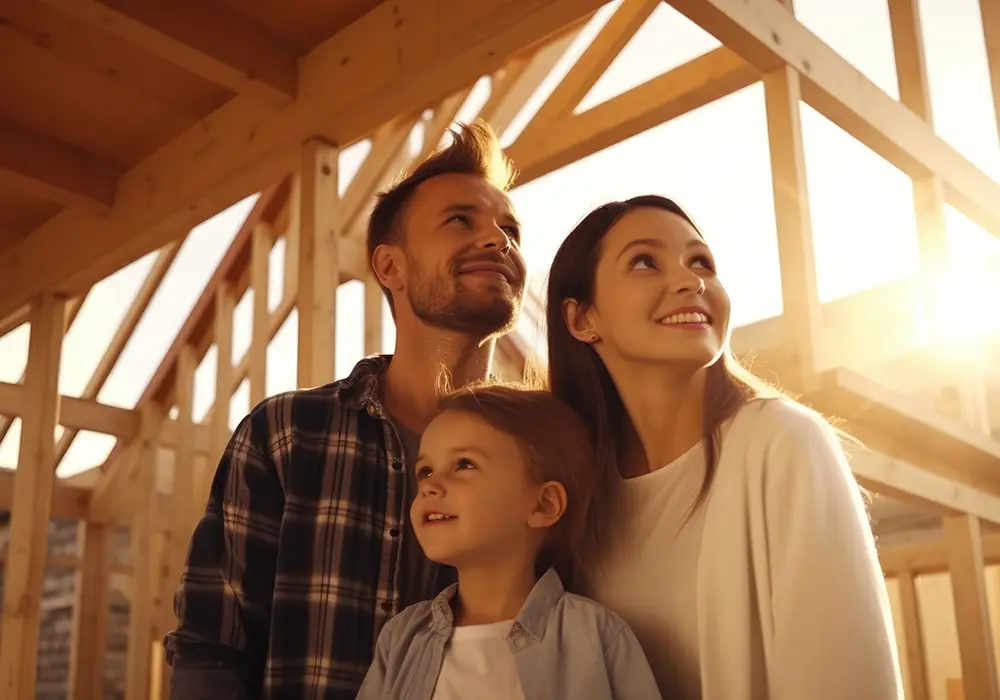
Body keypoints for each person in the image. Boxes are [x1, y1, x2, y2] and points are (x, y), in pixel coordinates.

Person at [163, 119, 528, 700]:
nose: (498, 240)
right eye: (462, 220)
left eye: (509, 229)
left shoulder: (545, 451)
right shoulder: (285, 435)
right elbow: (213, 647)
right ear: (390, 268)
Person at [544, 195, 904, 700]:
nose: (691, 281)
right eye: (646, 261)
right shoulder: (574, 497)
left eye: (701, 263)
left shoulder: (784, 442)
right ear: (582, 319)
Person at [355, 383, 663, 700]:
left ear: (543, 505)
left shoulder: (598, 637)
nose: (430, 486)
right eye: (425, 470)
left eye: (464, 464)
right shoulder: (401, 638)